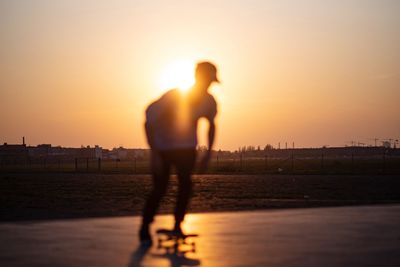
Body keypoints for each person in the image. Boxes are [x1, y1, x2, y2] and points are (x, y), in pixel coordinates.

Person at [139, 61, 219, 244]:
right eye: (207, 80)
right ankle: (145, 225)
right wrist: (155, 153)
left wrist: (207, 153)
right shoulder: (174, 97)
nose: (208, 86)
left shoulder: (209, 101)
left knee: (186, 185)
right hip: (163, 148)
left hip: (186, 148)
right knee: (160, 188)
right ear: (198, 77)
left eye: (211, 82)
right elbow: (148, 121)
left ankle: (177, 224)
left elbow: (211, 125)